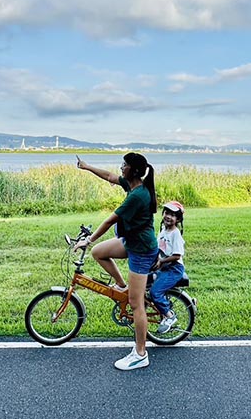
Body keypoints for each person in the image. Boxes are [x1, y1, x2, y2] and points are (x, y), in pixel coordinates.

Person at [75, 153, 158, 370]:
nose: (121, 168)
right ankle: (121, 285)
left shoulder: (138, 196)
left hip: (141, 251)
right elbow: (110, 176)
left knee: (135, 304)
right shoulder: (132, 186)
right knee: (99, 253)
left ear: (134, 170)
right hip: (131, 242)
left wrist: (88, 240)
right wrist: (86, 167)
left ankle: (141, 353)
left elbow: (111, 219)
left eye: (125, 165)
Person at [151, 201, 186, 334]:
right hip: (164, 266)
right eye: (166, 213)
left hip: (174, 268)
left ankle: (170, 316)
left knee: (155, 292)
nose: (168, 217)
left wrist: (161, 261)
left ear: (178, 219)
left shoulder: (175, 233)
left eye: (172, 215)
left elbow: (177, 255)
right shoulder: (163, 230)